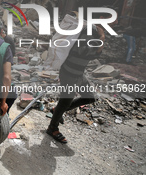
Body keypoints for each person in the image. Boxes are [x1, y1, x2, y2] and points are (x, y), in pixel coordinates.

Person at [46, 12, 117, 144]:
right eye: (112, 20)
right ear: (101, 18)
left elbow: (93, 54)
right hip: (69, 73)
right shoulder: (89, 31)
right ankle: (52, 128)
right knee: (65, 101)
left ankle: (58, 111)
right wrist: (102, 37)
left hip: (78, 73)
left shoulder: (93, 30)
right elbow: (86, 53)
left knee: (90, 96)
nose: (114, 23)